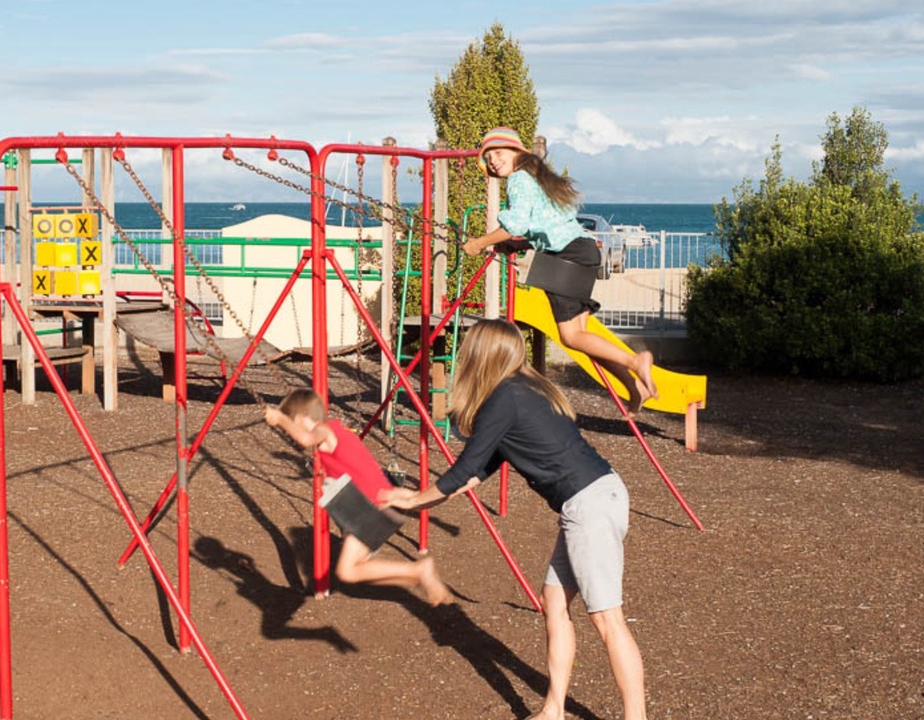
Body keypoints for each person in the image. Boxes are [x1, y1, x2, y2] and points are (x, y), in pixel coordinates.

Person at [382, 319, 647, 720]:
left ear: (481, 355)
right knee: (554, 602)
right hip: (594, 497)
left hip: (589, 505)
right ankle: (553, 709)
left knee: (607, 618)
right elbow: (483, 465)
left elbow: (464, 469)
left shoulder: (505, 397)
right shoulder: (524, 390)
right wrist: (434, 494)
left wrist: (418, 500)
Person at [463, 126, 657, 414]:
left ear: (516, 152)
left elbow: (515, 224)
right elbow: (543, 225)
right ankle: (634, 386)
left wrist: (479, 243)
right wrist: (516, 246)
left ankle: (635, 362)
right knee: (582, 337)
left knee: (571, 337)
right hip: (583, 250)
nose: (493, 161)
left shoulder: (519, 179)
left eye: (498, 153)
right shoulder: (537, 178)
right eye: (489, 158)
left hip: (566, 256)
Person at [264, 389, 450, 605]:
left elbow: (305, 438)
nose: (291, 435)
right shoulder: (341, 432)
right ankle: (414, 577)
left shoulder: (324, 431)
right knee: (356, 568)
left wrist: (280, 419)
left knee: (348, 571)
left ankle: (419, 570)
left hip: (369, 508)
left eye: (293, 426)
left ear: (302, 419)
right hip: (381, 505)